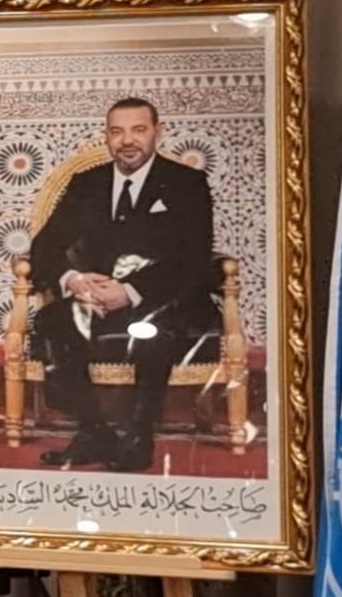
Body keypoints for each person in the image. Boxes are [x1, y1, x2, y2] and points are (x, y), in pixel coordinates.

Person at [29, 97, 217, 473]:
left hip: (164, 298)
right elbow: (45, 246)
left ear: (157, 133)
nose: (127, 140)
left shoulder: (186, 183)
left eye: (138, 130)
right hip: (96, 299)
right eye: (117, 132)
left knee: (153, 329)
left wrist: (129, 292)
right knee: (54, 320)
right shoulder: (87, 183)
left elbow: (193, 257)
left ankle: (138, 437)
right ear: (107, 137)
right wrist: (75, 281)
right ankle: (93, 431)